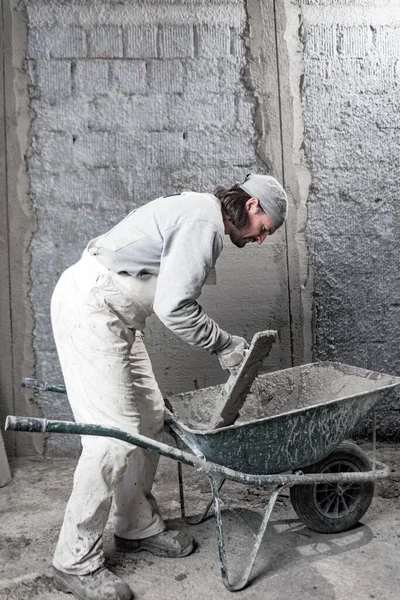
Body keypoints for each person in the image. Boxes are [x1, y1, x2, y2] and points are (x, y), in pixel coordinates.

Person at [50, 173, 288, 600]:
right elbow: (174, 307)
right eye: (264, 229)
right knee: (111, 438)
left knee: (150, 418)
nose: (260, 240)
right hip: (91, 306)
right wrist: (225, 345)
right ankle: (74, 560)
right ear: (252, 207)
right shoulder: (206, 223)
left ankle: (135, 525)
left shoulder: (204, 215)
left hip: (119, 316)